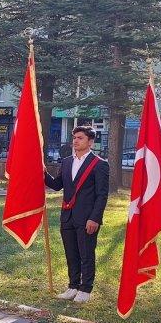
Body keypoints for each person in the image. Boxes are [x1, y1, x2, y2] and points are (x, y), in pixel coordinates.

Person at [44, 126, 109, 303]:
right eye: (74, 137)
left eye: (80, 138)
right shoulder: (66, 162)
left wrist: (95, 218)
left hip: (87, 217)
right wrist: (42, 171)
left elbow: (102, 195)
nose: (75, 141)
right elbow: (57, 185)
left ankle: (85, 289)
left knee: (86, 254)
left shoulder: (99, 164)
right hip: (67, 215)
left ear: (90, 142)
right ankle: (73, 286)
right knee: (71, 253)